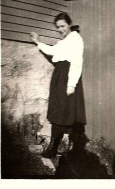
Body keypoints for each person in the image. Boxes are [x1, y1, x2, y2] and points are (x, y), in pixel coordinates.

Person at [30, 12, 86, 158]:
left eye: (63, 26)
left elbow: (77, 62)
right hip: (59, 77)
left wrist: (71, 84)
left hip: (67, 78)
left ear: (69, 24)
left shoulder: (75, 39)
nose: (60, 29)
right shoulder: (64, 41)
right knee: (59, 111)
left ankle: (58, 148)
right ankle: (62, 147)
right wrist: (38, 42)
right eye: (58, 27)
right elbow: (52, 50)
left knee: (62, 112)